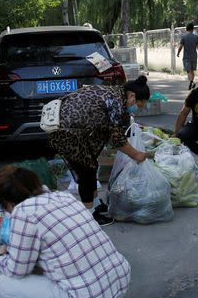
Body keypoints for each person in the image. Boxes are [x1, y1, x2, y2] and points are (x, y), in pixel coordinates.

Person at [0, 166, 130, 298]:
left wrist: (0, 256)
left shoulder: (22, 212)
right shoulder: (63, 196)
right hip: (119, 285)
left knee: (4, 287)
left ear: (6, 202)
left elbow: (17, 270)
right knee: (58, 261)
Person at [47, 76, 151, 226]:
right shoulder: (115, 101)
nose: (138, 108)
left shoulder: (115, 93)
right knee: (86, 172)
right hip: (68, 133)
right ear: (132, 96)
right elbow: (117, 139)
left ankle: (95, 204)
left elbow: (113, 127)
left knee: (91, 166)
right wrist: (136, 154)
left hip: (73, 128)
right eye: (139, 104)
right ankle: (89, 217)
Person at [176, 22, 198, 90]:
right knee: (192, 70)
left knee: (189, 71)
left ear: (186, 29)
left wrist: (178, 53)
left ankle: (191, 82)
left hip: (186, 57)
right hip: (194, 56)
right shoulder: (196, 37)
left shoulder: (184, 37)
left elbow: (180, 47)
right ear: (192, 29)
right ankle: (192, 81)